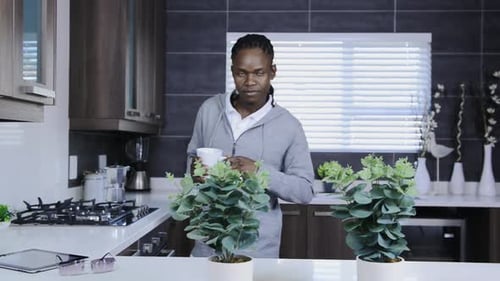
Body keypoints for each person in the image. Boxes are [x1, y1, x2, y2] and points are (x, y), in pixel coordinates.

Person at [186, 33, 314, 258]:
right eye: (241, 73)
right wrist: (195, 172)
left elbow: (304, 191)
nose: (250, 82)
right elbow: (190, 162)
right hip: (207, 248)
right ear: (233, 71)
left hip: (258, 253)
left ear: (272, 72)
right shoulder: (209, 110)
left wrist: (259, 172)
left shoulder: (289, 125)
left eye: (259, 73)